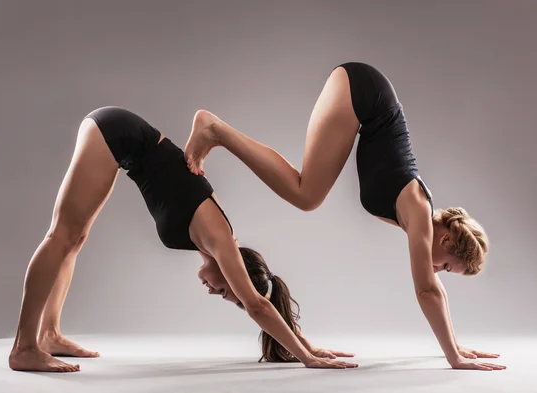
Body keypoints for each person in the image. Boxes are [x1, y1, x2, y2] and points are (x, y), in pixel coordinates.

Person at [184, 62, 506, 371]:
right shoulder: (420, 211)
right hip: (364, 93)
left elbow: (434, 287)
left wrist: (455, 344)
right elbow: (427, 290)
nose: (440, 271)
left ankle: (217, 131)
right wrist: (454, 357)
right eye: (448, 265)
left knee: (307, 193)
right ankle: (215, 129)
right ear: (447, 238)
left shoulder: (417, 217)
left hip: (361, 89)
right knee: (306, 194)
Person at [8, 107, 357, 373]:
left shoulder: (211, 242)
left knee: (74, 239)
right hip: (116, 134)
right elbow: (257, 305)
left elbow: (263, 300)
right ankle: (24, 347)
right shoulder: (221, 239)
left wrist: (303, 341)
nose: (212, 292)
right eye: (223, 290)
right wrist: (308, 358)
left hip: (123, 143)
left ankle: (48, 335)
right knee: (62, 235)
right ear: (235, 268)